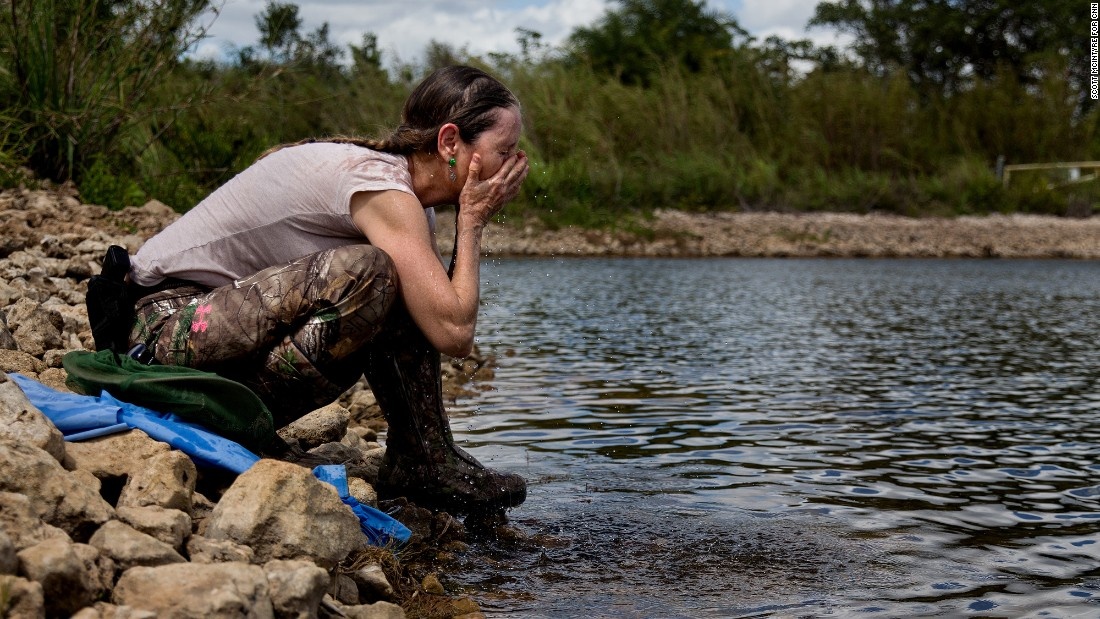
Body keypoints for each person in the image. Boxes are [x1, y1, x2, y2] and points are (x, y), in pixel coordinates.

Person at [123, 65, 530, 515]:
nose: (513, 166)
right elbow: (454, 335)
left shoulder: (407, 202)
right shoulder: (381, 188)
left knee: (407, 284)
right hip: (164, 326)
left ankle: (424, 461)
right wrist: (471, 223)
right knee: (371, 272)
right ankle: (233, 424)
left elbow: (437, 312)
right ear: (450, 142)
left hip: (217, 327)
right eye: (504, 151)